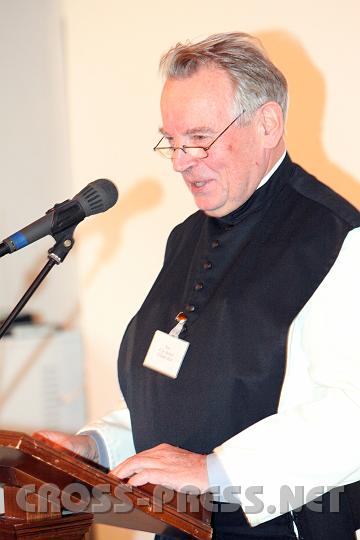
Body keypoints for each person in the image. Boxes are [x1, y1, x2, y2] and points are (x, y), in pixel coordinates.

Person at [39, 33, 360, 539]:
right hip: (180, 526)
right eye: (172, 140)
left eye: (199, 138)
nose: (180, 161)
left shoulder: (335, 237)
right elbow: (178, 395)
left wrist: (215, 471)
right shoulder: (186, 237)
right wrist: (99, 448)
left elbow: (352, 413)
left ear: (268, 124)